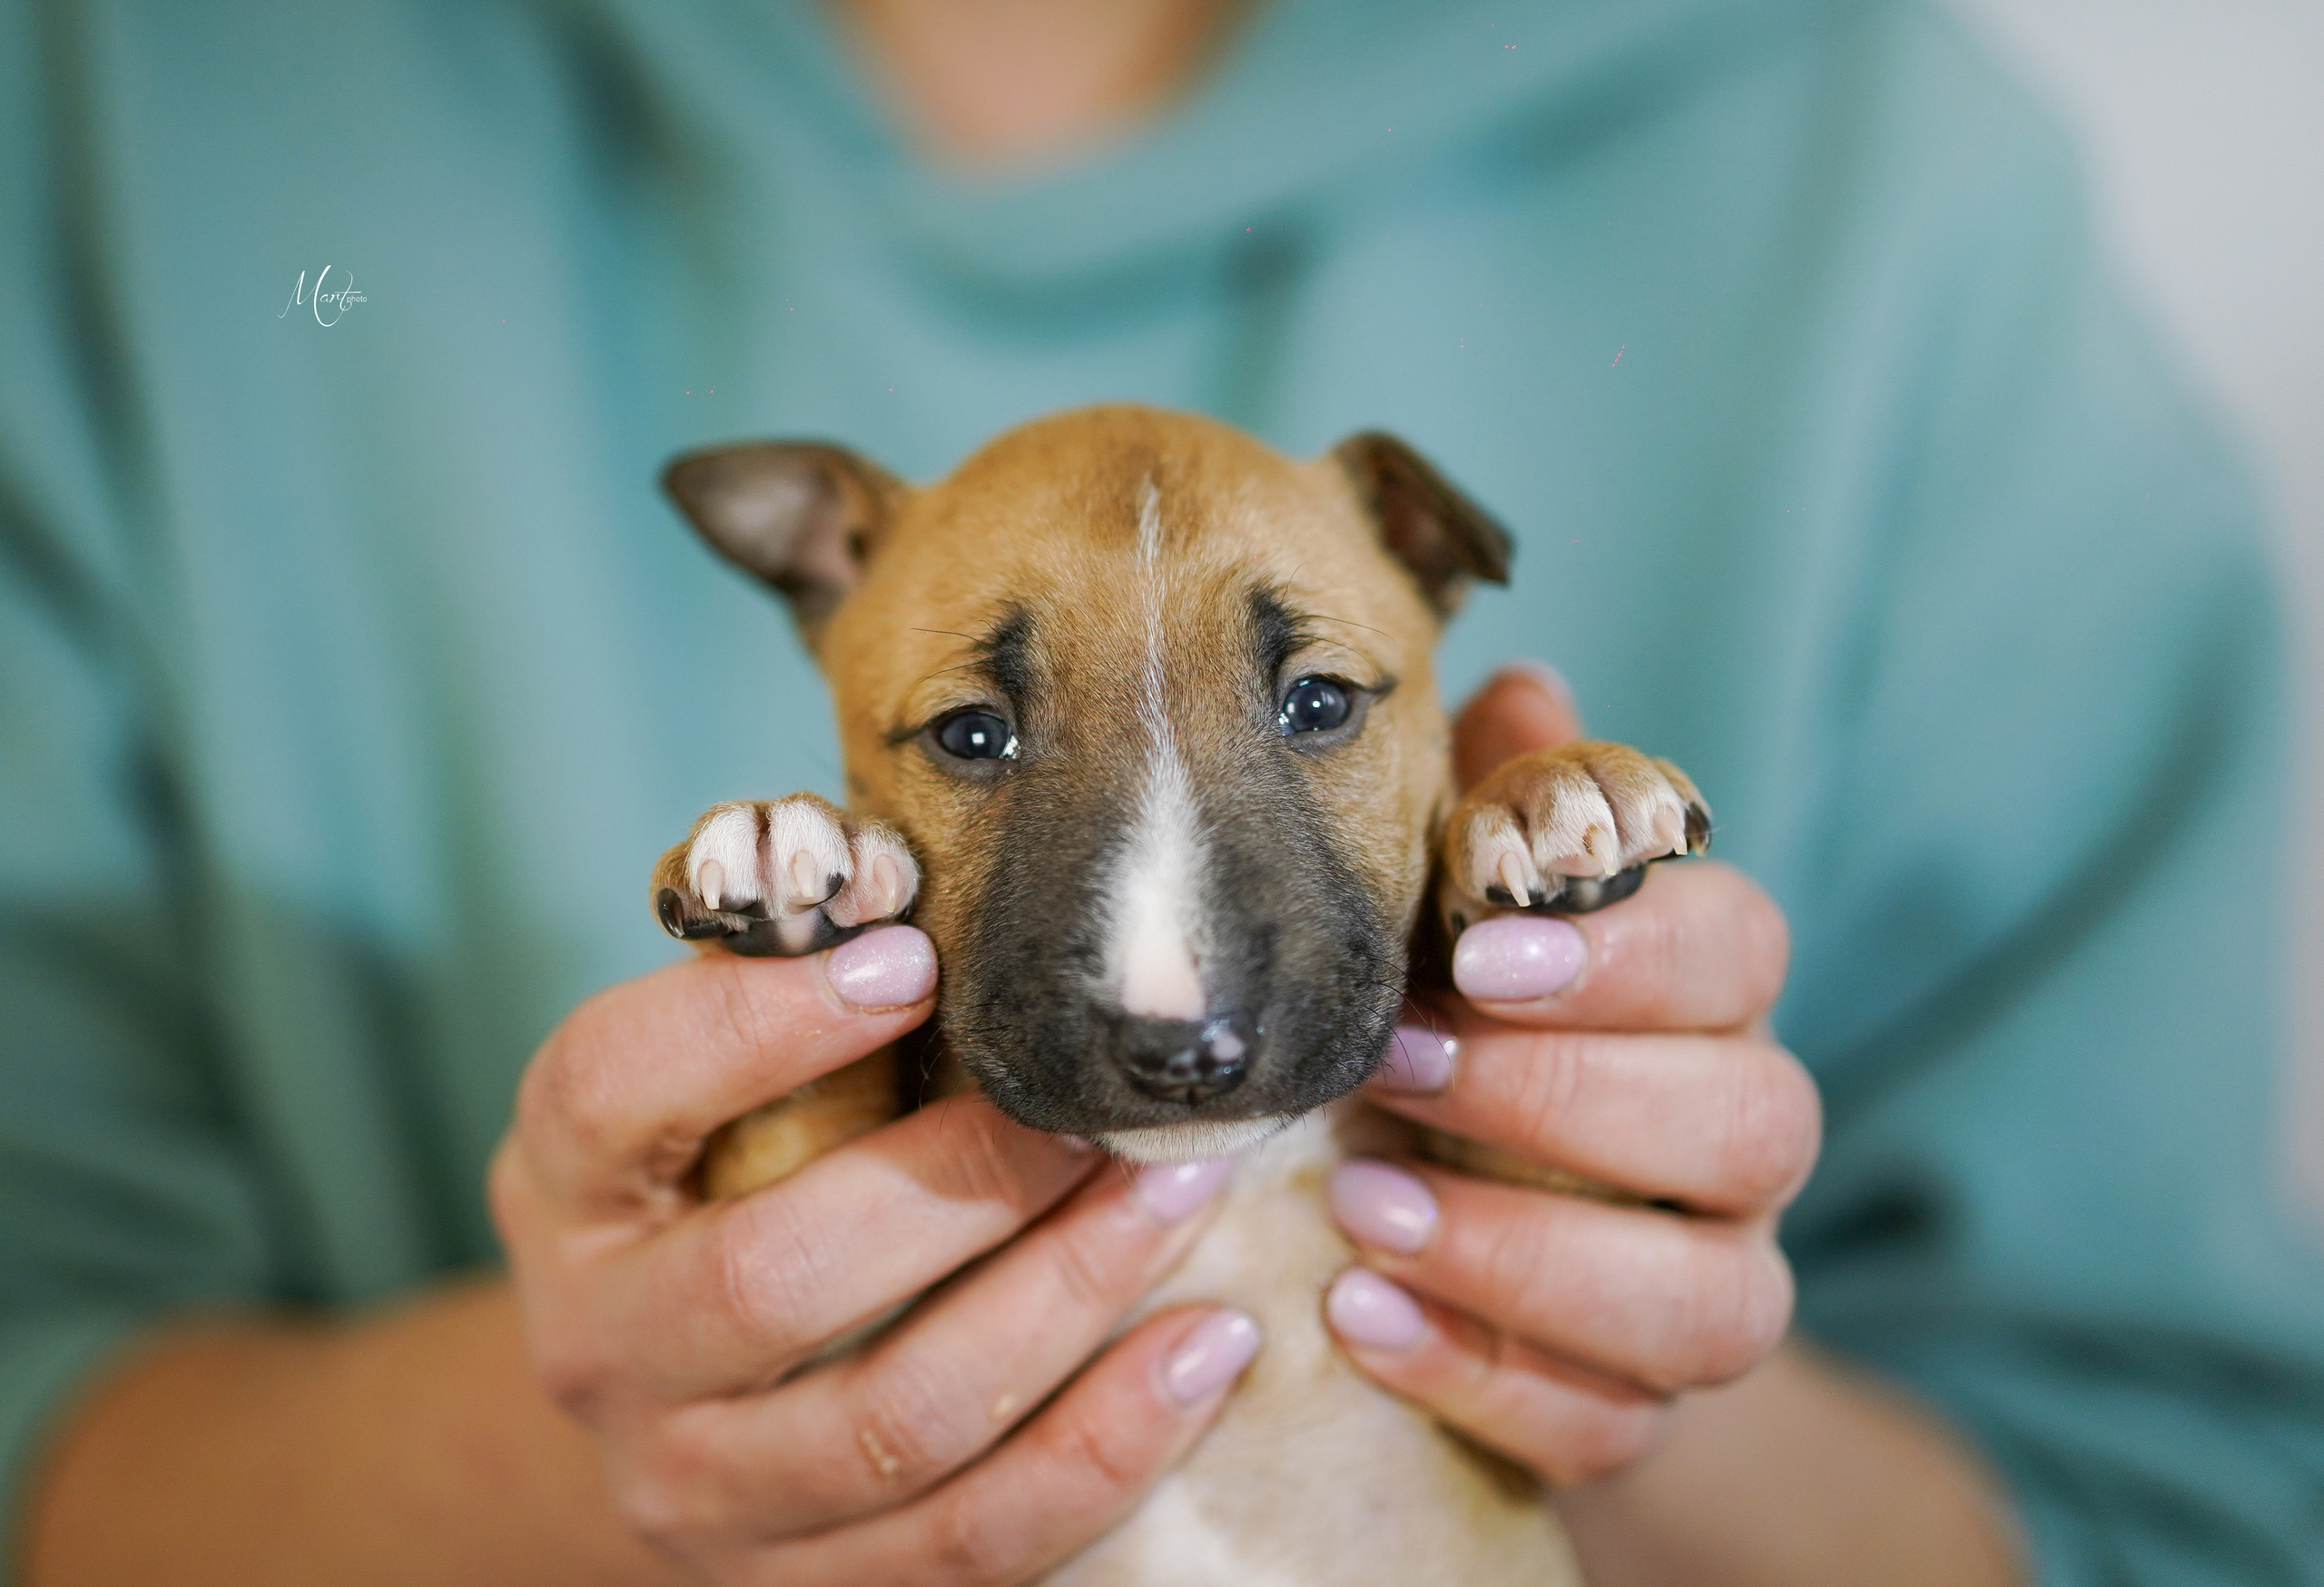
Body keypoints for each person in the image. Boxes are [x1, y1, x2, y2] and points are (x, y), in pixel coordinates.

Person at [3, 0, 2318, 1582]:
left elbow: (2197, 1498)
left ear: (1424, 584)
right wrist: (625, 1425)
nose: (1172, 980)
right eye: (982, 741)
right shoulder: (132, 111)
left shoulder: (1875, 172)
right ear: (822, 589)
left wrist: (1630, 1363)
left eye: (1319, 703)